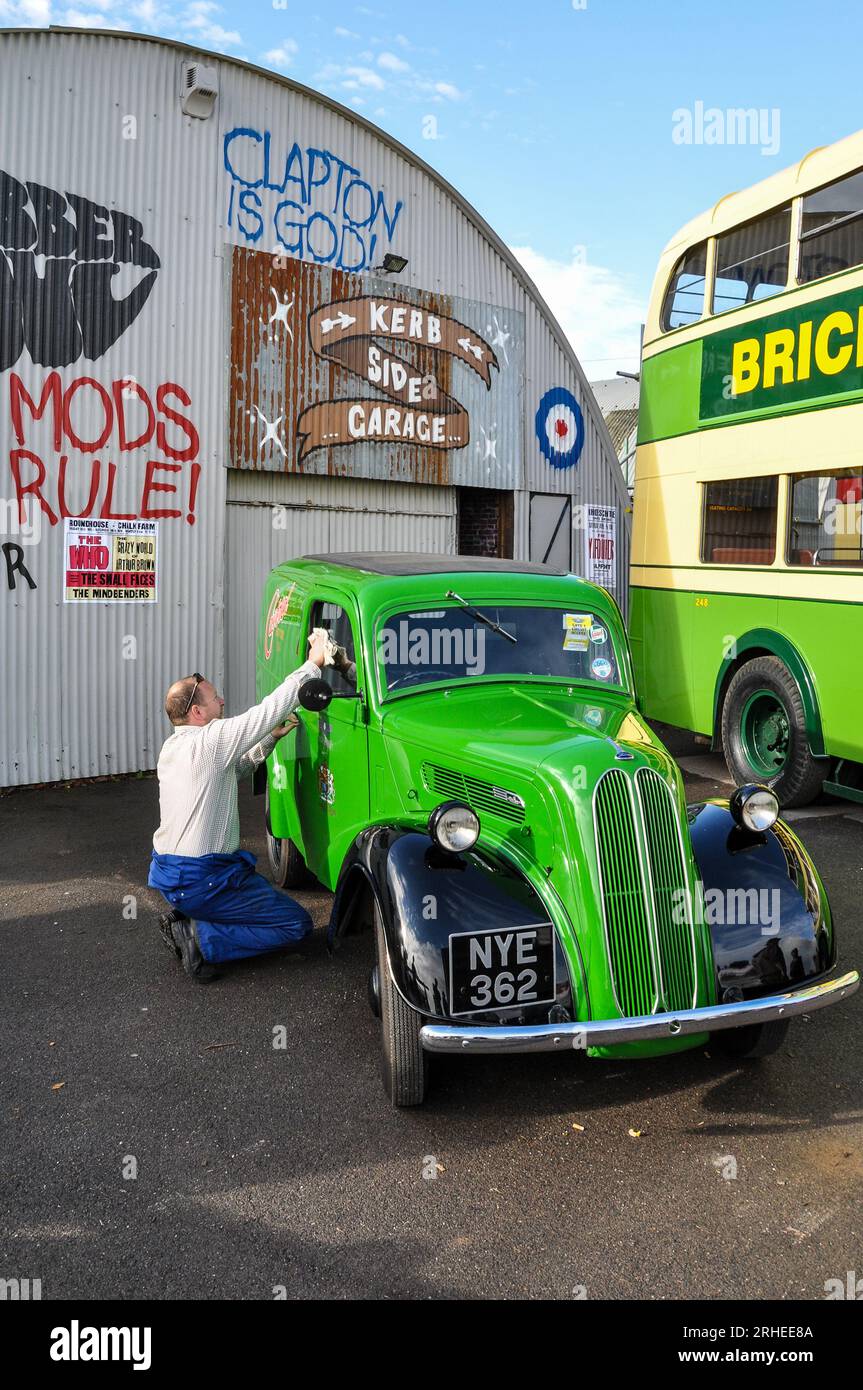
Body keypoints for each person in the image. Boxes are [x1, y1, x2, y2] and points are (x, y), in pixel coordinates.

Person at [148, 633, 328, 982]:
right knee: (295, 924)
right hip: (203, 879)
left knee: (249, 904)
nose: (223, 700)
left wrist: (271, 739)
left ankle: (189, 914)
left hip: (172, 874)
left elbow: (236, 769)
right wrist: (314, 664)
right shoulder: (212, 740)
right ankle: (202, 938)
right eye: (216, 698)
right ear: (197, 712)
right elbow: (267, 710)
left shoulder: (174, 749)